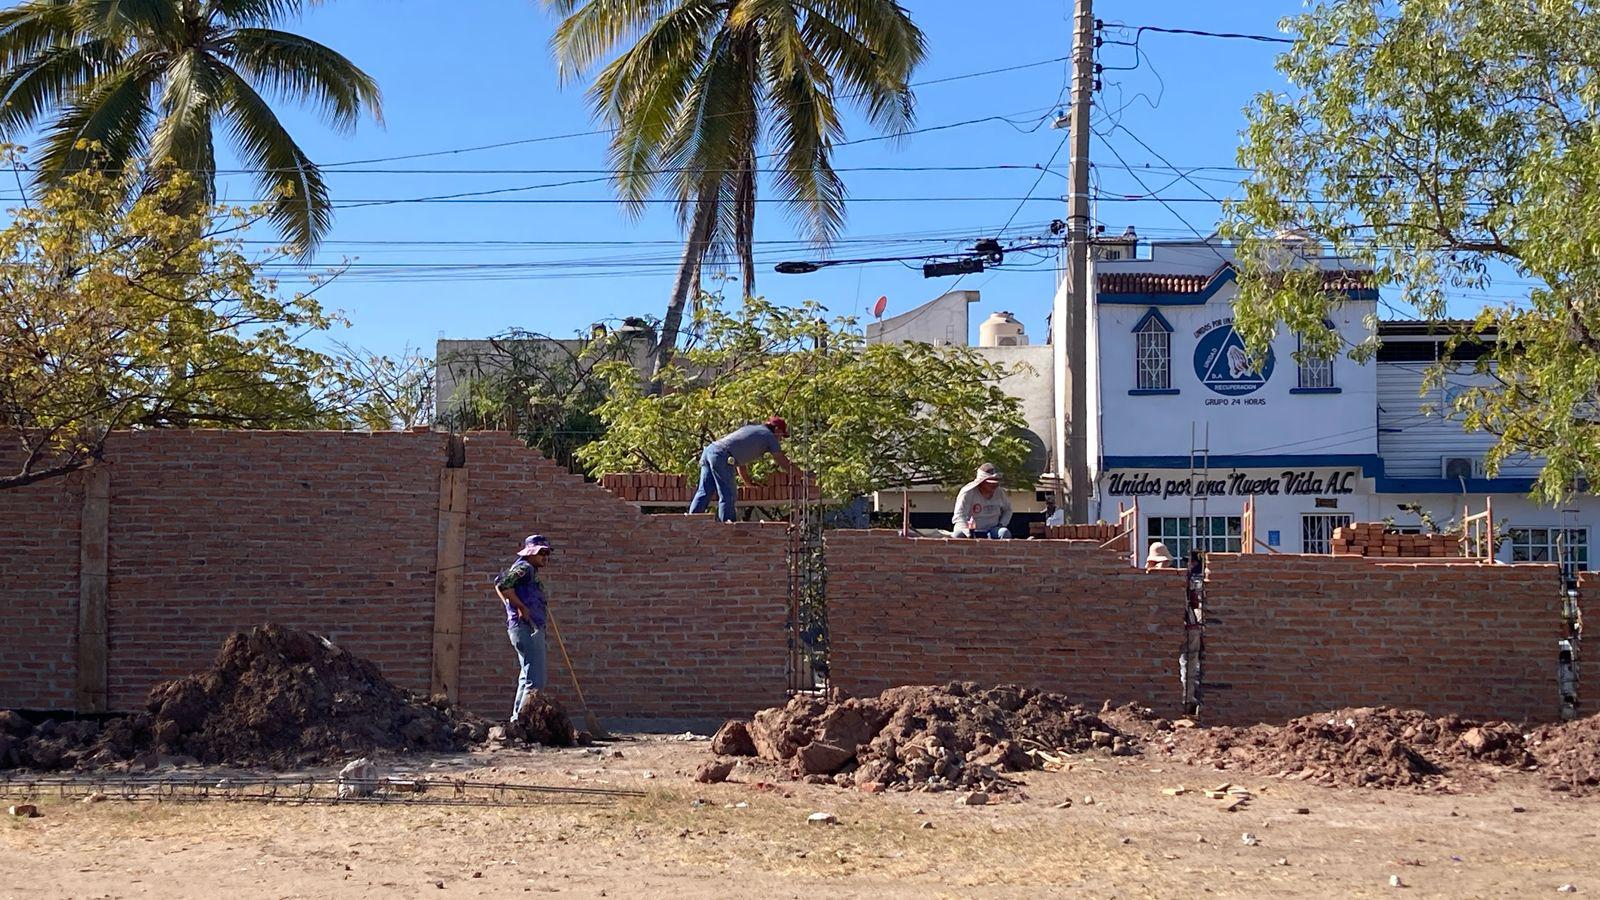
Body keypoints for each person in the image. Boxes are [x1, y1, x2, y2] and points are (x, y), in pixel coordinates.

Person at [688, 416, 802, 522]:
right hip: (722, 456)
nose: (780, 439)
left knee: (704, 491)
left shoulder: (752, 430)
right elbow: (782, 461)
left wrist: (748, 483)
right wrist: (803, 474)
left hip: (710, 451)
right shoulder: (769, 436)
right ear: (776, 429)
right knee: (728, 494)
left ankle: (690, 522)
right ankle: (727, 529)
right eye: (781, 435)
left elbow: (741, 464)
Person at [494, 534, 552, 720]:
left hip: (526, 627)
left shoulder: (528, 570)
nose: (545, 556)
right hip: (528, 628)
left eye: (547, 553)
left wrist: (511, 606)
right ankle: (525, 723)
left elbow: (498, 584)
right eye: (541, 552)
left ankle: (517, 720)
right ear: (531, 553)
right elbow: (503, 585)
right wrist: (520, 607)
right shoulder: (524, 568)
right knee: (536, 680)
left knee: (526, 676)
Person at [952, 464, 1013, 539]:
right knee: (958, 535)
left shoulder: (1000, 492)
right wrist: (967, 532)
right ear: (982, 482)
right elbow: (959, 516)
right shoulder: (968, 492)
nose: (994, 486)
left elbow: (1008, 510)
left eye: (996, 483)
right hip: (970, 530)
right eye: (990, 483)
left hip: (992, 530)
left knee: (1004, 533)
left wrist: (1001, 524)